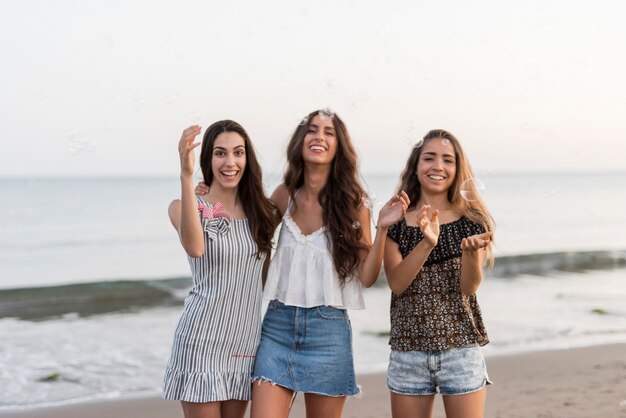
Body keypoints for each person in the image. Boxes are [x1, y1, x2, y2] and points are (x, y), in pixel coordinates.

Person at [250, 109, 409, 418]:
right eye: (312, 130)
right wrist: (210, 198)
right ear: (301, 140)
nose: (319, 136)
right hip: (277, 328)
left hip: (328, 332)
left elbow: (366, 276)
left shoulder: (354, 202)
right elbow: (250, 236)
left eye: (328, 132)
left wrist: (382, 229)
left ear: (339, 146)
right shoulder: (283, 195)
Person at [163, 120, 278, 418]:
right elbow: (195, 248)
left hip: (244, 343)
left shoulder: (262, 212)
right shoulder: (183, 206)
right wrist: (186, 176)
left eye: (238, 153)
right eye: (220, 153)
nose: (230, 162)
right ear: (207, 160)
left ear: (247, 159)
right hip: (201, 340)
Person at [383, 129, 495, 418]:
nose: (438, 166)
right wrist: (427, 242)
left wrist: (470, 254)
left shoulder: (472, 221)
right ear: (416, 166)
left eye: (448, 160)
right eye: (429, 158)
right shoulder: (396, 220)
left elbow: (469, 288)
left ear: (457, 169)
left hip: (461, 349)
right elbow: (397, 283)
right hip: (409, 352)